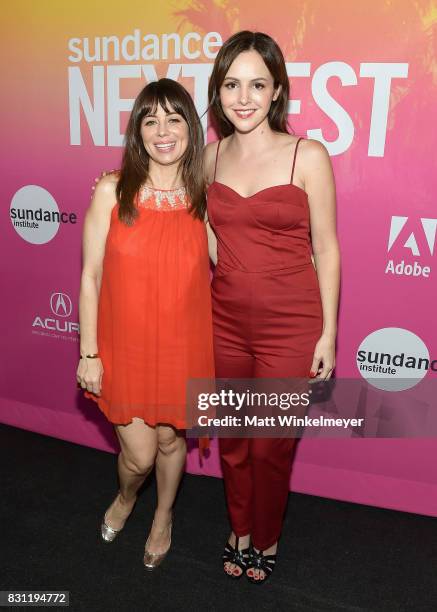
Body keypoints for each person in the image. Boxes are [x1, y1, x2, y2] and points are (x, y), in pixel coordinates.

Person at [204, 31, 340, 583]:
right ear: (218, 92)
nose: (243, 97)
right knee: (233, 441)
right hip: (225, 322)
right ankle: (238, 528)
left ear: (277, 90)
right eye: (232, 84)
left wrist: (328, 333)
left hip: (292, 326)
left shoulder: (307, 155)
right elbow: (207, 234)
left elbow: (326, 247)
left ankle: (266, 536)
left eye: (257, 84)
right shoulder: (209, 156)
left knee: (269, 446)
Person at [76, 78, 214, 570]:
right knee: (137, 456)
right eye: (150, 120)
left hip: (183, 346)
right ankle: (128, 496)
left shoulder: (205, 198)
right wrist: (89, 353)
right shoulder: (113, 190)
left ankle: (164, 516)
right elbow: (90, 276)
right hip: (124, 348)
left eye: (173, 118)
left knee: (171, 440)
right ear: (138, 131)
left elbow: (235, 262)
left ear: (189, 129)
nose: (162, 130)